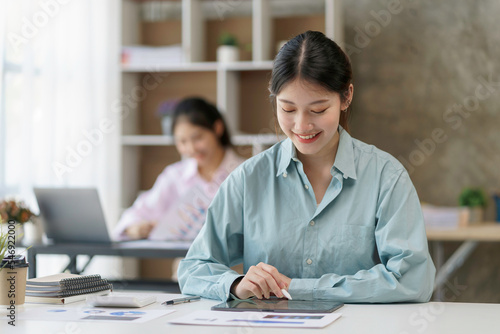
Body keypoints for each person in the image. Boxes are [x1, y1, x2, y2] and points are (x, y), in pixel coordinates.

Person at [177, 31, 436, 302]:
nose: (301, 126)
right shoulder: (249, 178)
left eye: (318, 110)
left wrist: (301, 288)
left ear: (346, 97)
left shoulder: (386, 177)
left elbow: (413, 281)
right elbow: (193, 269)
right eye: (288, 109)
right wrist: (236, 284)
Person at [113, 97, 244, 241]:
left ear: (217, 128)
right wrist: (134, 227)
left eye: (198, 138)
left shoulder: (245, 172)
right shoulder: (175, 175)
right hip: (186, 261)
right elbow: (140, 211)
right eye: (182, 141)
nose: (191, 148)